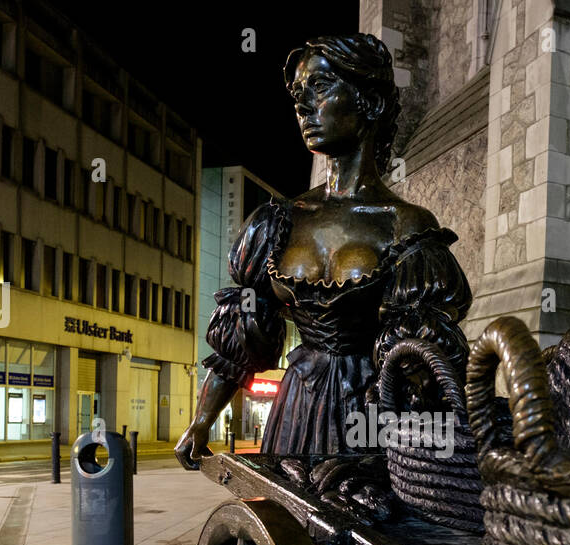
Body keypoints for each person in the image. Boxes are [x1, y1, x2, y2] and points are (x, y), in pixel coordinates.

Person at [174, 34, 471, 468]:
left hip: (370, 418)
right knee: (284, 524)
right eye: (298, 94)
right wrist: (203, 420)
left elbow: (425, 360)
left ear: (368, 102)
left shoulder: (404, 226)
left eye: (320, 87)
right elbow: (240, 340)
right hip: (293, 410)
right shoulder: (276, 222)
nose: (303, 106)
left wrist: (408, 448)